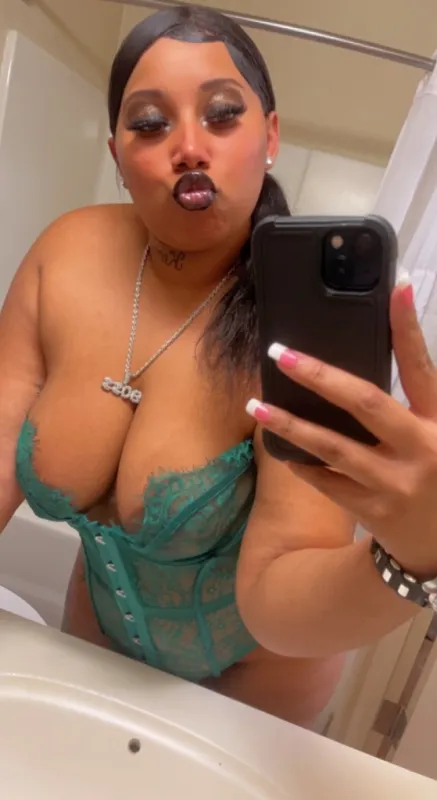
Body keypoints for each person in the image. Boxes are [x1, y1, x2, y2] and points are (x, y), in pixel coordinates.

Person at [2, 4, 437, 729]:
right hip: (92, 641)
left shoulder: (300, 325)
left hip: (250, 699)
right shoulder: (66, 254)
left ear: (270, 137)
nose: (188, 147)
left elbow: (276, 599)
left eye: (222, 114)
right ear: (116, 155)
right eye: (150, 123)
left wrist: (416, 557)